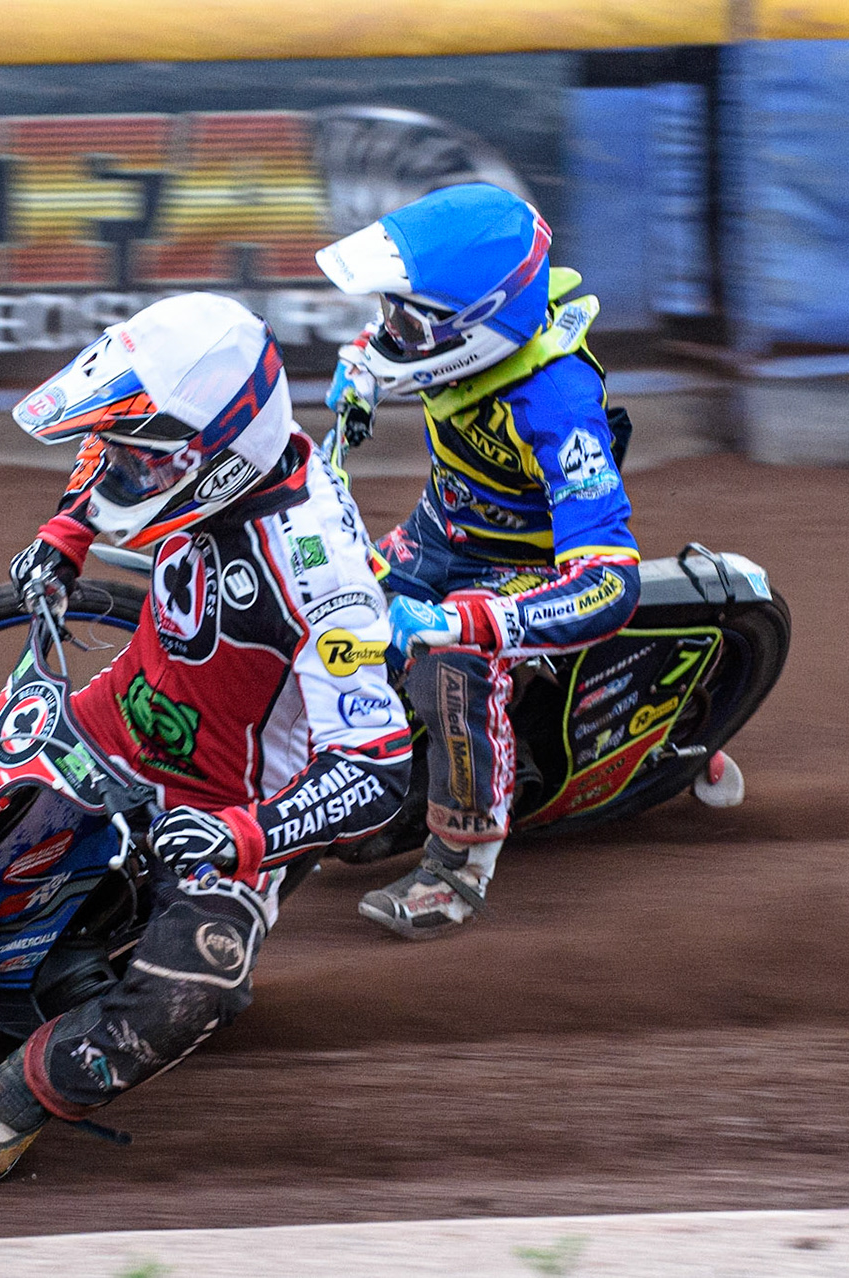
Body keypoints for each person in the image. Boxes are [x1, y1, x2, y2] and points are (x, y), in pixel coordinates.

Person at [0, 291, 412, 1185]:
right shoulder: (181, 452)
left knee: (192, 997)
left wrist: (243, 836)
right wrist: (66, 536)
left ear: (218, 459)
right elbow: (109, 447)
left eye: (143, 466)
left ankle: (14, 1100)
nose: (121, 476)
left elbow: (377, 770)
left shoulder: (322, 577)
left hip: (226, 810)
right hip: (113, 721)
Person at [315, 182, 640, 940]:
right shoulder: (450, 342)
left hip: (519, 571)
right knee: (324, 596)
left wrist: (473, 618)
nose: (389, 331)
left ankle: (461, 863)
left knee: (448, 660)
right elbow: (394, 345)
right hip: (440, 533)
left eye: (406, 321)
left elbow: (610, 583)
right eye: (389, 314)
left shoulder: (556, 404)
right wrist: (362, 375)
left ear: (479, 326)